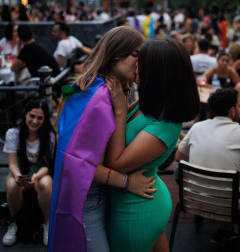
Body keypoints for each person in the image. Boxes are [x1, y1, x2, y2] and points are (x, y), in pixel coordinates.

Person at [48, 26, 157, 252]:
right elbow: (77, 162)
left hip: (93, 194)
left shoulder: (103, 89)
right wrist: (128, 182)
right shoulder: (99, 99)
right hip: (88, 198)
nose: (140, 63)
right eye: (136, 55)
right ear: (116, 54)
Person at [105, 38, 200, 252]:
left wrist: (120, 110)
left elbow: (116, 163)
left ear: (157, 72)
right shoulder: (151, 102)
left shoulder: (165, 124)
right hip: (141, 198)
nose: (136, 63)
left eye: (142, 60)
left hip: (136, 210)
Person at [175, 88, 240, 247]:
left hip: (192, 198)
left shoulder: (198, 127)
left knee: (225, 180)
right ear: (232, 111)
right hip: (227, 204)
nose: (238, 110)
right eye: (238, 107)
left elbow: (179, 158)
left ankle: (225, 230)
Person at [2, 99, 56, 247]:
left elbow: (48, 166)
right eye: (32, 116)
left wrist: (36, 177)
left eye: (40, 117)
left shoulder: (49, 137)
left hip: (40, 171)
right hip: (21, 170)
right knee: (12, 184)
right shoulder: (13, 134)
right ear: (25, 114)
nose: (35, 121)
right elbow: (12, 163)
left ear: (45, 119)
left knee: (45, 184)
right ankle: (14, 223)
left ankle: (47, 223)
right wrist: (18, 176)